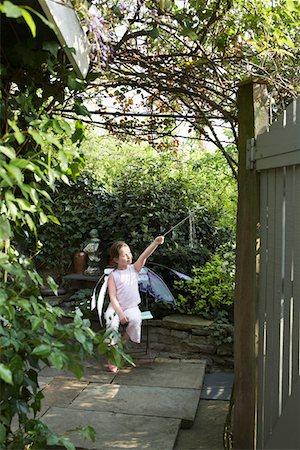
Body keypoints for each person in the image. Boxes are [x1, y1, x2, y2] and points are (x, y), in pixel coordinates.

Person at [104, 235, 165, 372]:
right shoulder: (113, 276)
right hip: (115, 307)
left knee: (136, 320)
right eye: (124, 255)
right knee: (111, 323)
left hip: (131, 307)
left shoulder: (134, 269)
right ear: (116, 259)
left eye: (129, 253)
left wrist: (155, 243)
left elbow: (144, 256)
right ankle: (112, 355)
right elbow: (112, 297)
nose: (129, 257)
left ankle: (120, 345)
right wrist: (119, 313)